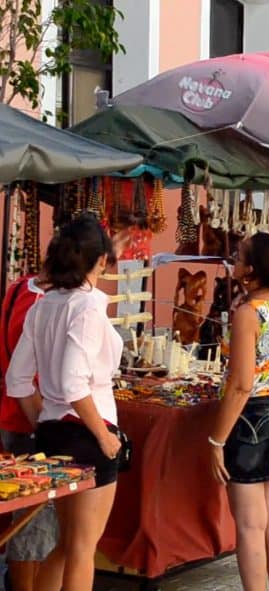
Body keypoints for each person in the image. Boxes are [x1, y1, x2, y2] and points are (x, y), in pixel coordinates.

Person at [6, 215, 123, 591]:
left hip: (55, 431)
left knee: (68, 545)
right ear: (100, 260)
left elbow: (18, 379)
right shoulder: (87, 306)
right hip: (89, 429)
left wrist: (44, 419)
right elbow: (75, 381)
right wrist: (102, 437)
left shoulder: (44, 304)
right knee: (82, 549)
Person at [208, 232, 269, 591]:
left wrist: (216, 439)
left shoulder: (249, 312)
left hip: (252, 418)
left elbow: (241, 384)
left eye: (239, 257)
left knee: (249, 525)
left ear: (251, 269)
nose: (234, 262)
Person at [0, 271, 57, 591]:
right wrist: (44, 427)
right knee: (34, 523)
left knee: (32, 519)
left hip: (15, 417)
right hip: (29, 421)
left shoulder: (19, 288)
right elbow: (22, 379)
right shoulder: (42, 303)